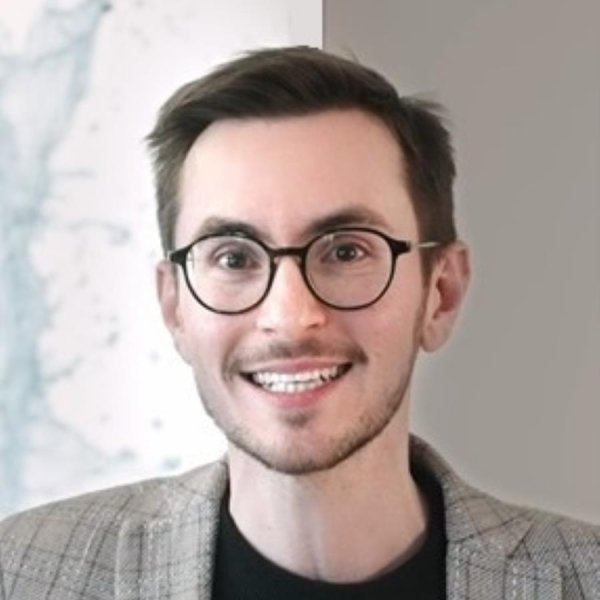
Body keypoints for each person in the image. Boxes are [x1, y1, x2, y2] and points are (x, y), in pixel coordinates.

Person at [0, 46, 598, 600]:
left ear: (440, 294)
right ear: (175, 306)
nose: (289, 318)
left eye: (346, 251)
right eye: (233, 258)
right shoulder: (21, 573)